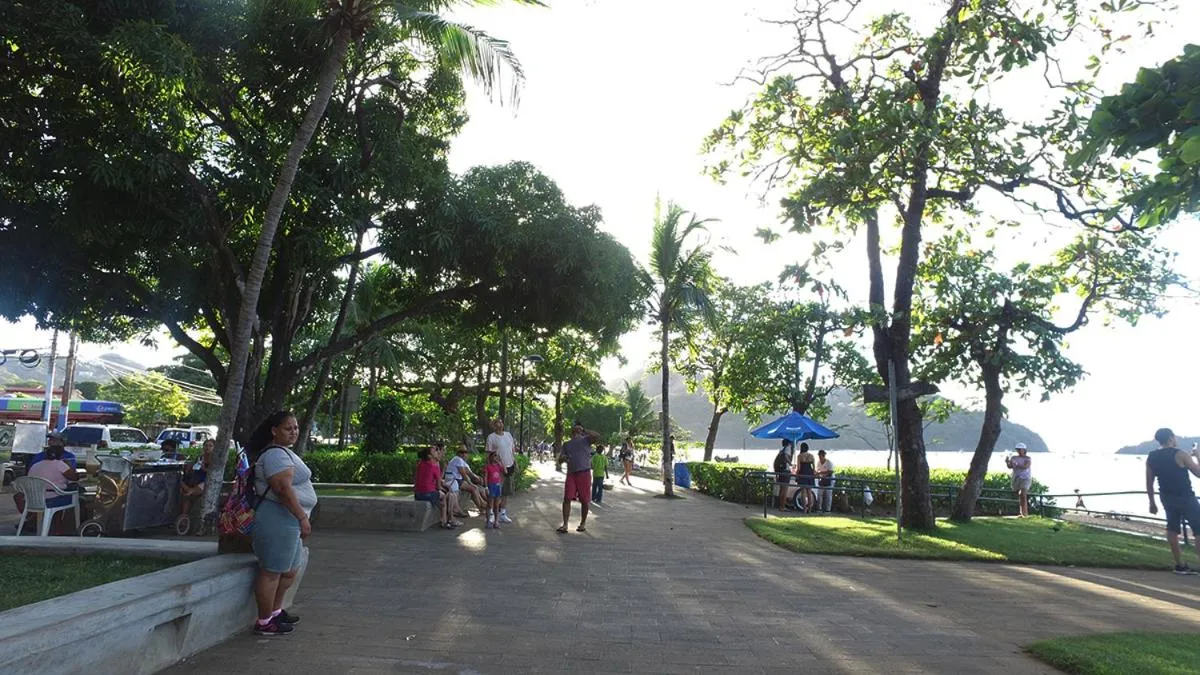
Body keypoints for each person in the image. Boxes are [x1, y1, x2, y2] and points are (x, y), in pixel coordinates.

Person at [248, 411, 314, 636]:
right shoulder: (275, 455)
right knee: (272, 572)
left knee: (289, 570)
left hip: (288, 519)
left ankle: (275, 612)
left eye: (295, 427)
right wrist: (302, 517)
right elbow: (282, 489)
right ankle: (264, 621)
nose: (293, 432)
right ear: (274, 431)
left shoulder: (283, 452)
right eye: (288, 428)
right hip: (276, 518)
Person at [1146, 428, 1200, 575]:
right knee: (1198, 528)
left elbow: (1149, 483)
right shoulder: (1180, 454)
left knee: (1172, 528)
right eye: (1174, 437)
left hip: (1166, 497)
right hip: (1186, 496)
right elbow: (1199, 473)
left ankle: (1179, 564)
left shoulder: (1152, 457)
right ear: (1170, 438)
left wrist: (1152, 502)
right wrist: (1197, 455)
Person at [557, 422, 600, 533]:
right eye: (575, 429)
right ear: (571, 432)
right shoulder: (567, 444)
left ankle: (582, 523)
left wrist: (585, 431)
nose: (577, 430)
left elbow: (596, 435)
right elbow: (559, 460)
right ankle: (565, 524)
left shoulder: (586, 440)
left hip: (584, 473)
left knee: (585, 500)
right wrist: (563, 458)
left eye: (579, 429)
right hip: (571, 474)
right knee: (567, 498)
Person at [486, 418, 516, 525]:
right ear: (494, 426)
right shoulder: (491, 437)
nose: (500, 423)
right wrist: (490, 467)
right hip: (497, 469)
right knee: (495, 492)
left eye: (501, 422)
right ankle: (492, 514)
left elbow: (512, 450)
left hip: (509, 466)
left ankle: (503, 513)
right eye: (498, 422)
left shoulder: (508, 435)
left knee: (505, 492)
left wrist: (515, 462)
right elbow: (488, 454)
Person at [415, 447, 454, 529]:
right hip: (427, 493)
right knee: (444, 497)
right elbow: (439, 487)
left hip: (417, 493)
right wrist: (444, 489)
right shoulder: (434, 467)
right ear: (429, 456)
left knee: (442, 496)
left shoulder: (420, 464)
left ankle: (447, 519)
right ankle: (444, 521)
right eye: (435, 451)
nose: (437, 452)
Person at [179, 439, 214, 528]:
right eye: (206, 445)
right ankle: (184, 517)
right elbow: (193, 466)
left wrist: (204, 468)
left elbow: (213, 473)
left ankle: (190, 492)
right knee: (181, 484)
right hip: (195, 480)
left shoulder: (215, 460)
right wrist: (189, 467)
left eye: (210, 446)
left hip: (206, 482)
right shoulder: (200, 457)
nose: (207, 448)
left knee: (190, 493)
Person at [449, 443, 488, 513]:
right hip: (454, 481)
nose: (464, 454)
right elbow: (463, 473)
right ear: (458, 453)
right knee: (474, 488)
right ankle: (482, 505)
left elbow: (468, 473)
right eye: (462, 452)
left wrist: (475, 480)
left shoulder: (461, 461)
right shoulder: (458, 459)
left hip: (458, 480)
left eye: (465, 452)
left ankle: (483, 504)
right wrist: (470, 483)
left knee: (476, 488)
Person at [1005, 442, 1032, 517]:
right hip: (1016, 478)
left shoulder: (1027, 458)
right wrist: (1007, 462)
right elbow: (1010, 466)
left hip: (1025, 478)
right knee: (1020, 495)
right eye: (1018, 449)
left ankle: (1025, 513)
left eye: (1020, 449)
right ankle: (1021, 513)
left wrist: (1016, 464)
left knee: (1023, 494)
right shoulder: (1014, 457)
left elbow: (1025, 466)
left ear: (1024, 450)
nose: (1019, 451)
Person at [484, 451, 505, 530]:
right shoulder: (487, 466)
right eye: (494, 456)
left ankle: (496, 521)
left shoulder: (498, 466)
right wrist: (486, 487)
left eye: (497, 456)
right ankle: (488, 521)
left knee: (496, 505)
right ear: (491, 457)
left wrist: (500, 462)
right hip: (491, 486)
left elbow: (505, 471)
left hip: (497, 486)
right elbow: (485, 477)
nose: (496, 457)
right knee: (490, 505)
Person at [795, 442, 816, 512]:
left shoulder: (799, 456)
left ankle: (804, 508)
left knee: (803, 491)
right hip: (810, 473)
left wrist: (797, 474)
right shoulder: (811, 456)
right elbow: (814, 468)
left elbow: (799, 468)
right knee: (809, 491)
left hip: (803, 472)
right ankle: (810, 508)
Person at [773, 440, 793, 511]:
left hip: (781, 470)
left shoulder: (781, 450)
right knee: (785, 489)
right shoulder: (788, 448)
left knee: (781, 489)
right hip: (785, 471)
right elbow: (786, 456)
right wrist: (790, 464)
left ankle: (781, 505)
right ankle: (782, 506)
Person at [816, 449, 836, 514]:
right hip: (822, 479)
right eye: (819, 456)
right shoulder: (818, 463)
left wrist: (821, 473)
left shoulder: (829, 462)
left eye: (821, 456)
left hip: (829, 479)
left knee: (828, 495)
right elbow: (817, 470)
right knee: (819, 494)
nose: (820, 457)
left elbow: (830, 471)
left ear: (824, 456)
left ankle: (828, 509)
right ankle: (819, 508)